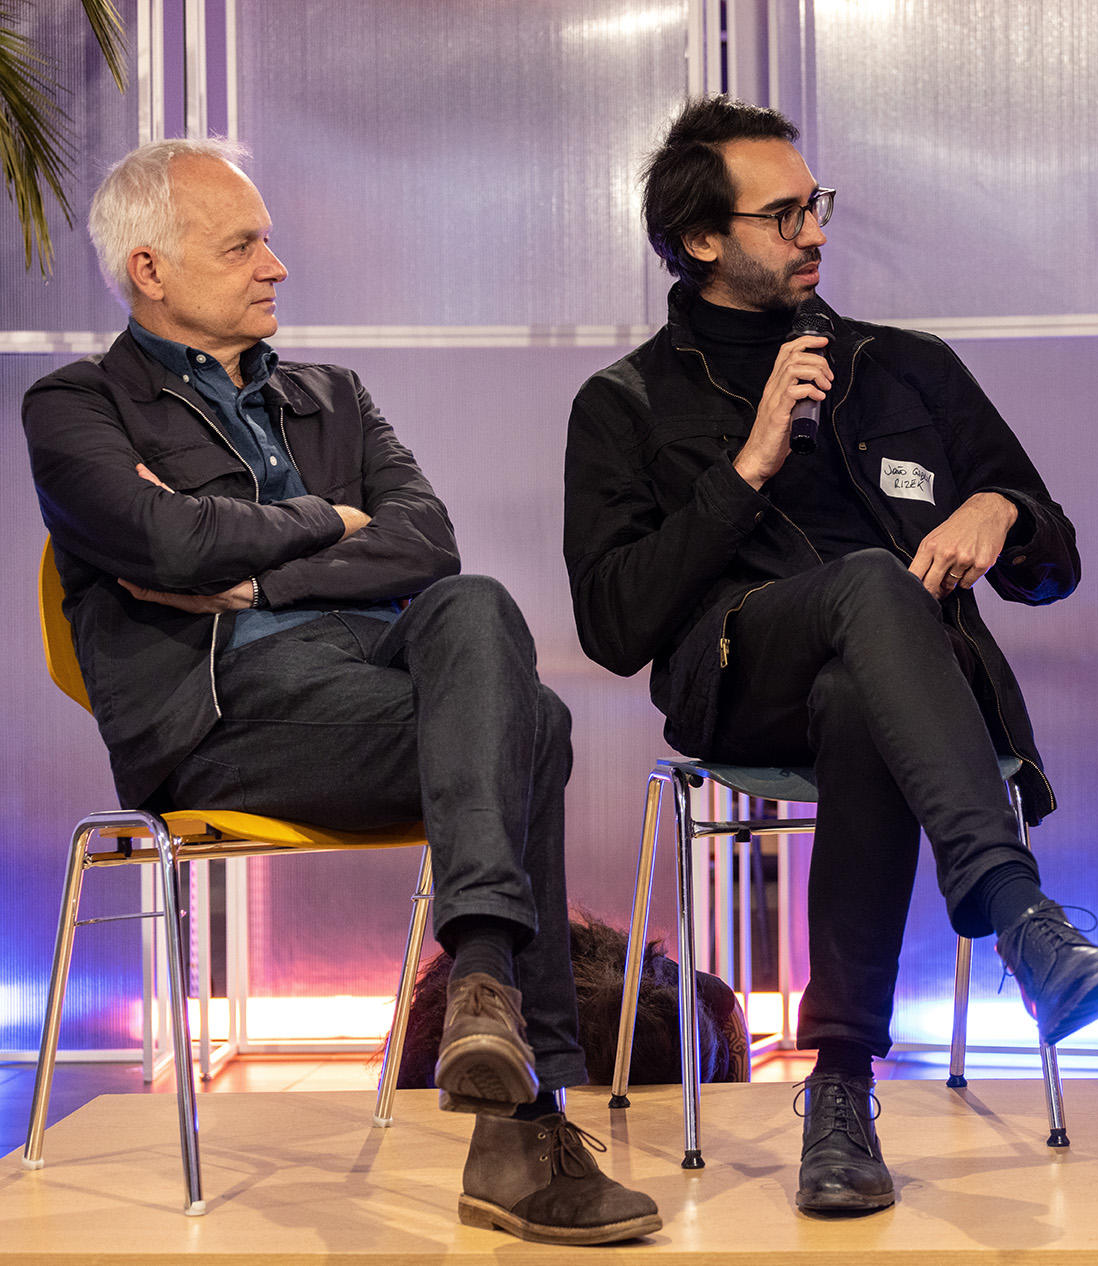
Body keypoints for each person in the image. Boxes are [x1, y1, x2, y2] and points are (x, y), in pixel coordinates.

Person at [22, 138, 659, 1247]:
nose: (275, 266)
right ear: (150, 270)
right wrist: (329, 518)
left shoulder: (333, 398)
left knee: (473, 606)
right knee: (534, 727)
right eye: (243, 246)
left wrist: (256, 572)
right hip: (224, 720)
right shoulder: (76, 407)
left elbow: (429, 542)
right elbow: (161, 541)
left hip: (379, 680)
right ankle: (523, 1127)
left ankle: (481, 987)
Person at [563, 95, 1098, 1214]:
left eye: (814, 203)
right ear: (700, 239)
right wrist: (746, 469)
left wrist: (1002, 512)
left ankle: (838, 1092)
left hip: (891, 695)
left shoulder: (906, 367)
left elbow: (1054, 560)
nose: (814, 231)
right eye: (782, 215)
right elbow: (613, 626)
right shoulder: (625, 403)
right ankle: (1015, 910)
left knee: (861, 692)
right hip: (739, 678)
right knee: (871, 586)